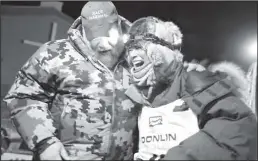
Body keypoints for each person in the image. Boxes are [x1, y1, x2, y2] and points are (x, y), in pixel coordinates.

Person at [2, 2, 202, 160]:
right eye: (93, 34)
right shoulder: (54, 54)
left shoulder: (138, 53)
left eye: (106, 32)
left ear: (117, 25)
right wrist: (44, 142)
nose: (101, 41)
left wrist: (187, 74)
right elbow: (23, 97)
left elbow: (165, 89)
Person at [124, 16, 257, 160]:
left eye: (143, 45)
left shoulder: (195, 81)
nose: (133, 53)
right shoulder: (136, 95)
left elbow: (237, 131)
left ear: (167, 48)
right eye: (131, 47)